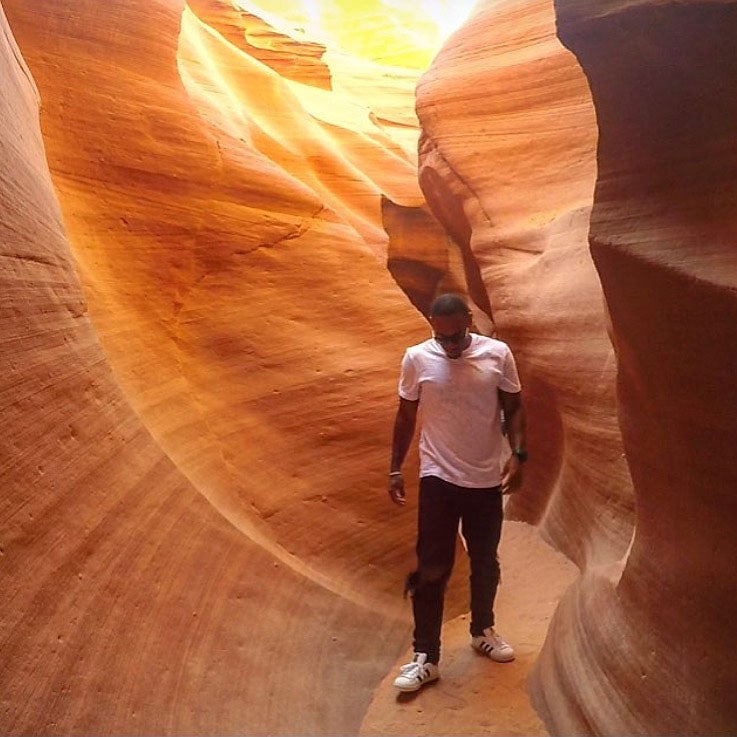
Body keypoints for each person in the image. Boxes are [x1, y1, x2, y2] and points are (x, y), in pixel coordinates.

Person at [388, 293, 527, 692]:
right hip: (438, 477)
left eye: (455, 336)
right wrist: (395, 467)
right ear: (433, 325)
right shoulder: (417, 358)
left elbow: (514, 407)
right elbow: (406, 414)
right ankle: (425, 656)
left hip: (484, 478)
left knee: (485, 560)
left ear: (468, 320)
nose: (449, 344)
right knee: (432, 567)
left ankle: (483, 630)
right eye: (441, 336)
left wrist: (519, 454)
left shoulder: (497, 354)